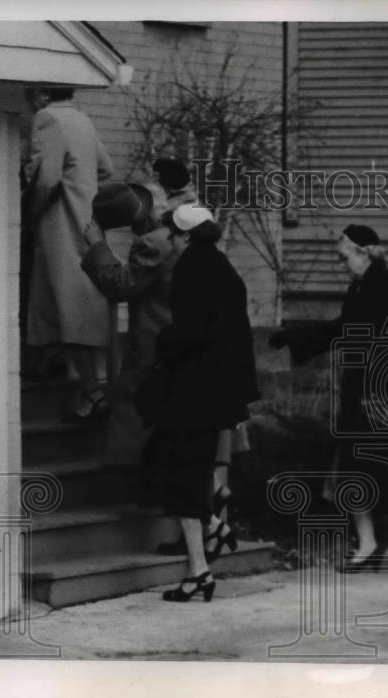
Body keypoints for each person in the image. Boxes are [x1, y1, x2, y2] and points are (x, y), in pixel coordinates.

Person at [268, 224, 388, 572]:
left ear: (364, 252)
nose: (341, 261)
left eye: (344, 255)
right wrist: (294, 336)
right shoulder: (360, 288)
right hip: (366, 389)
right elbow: (342, 327)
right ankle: (371, 544)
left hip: (386, 390)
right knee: (357, 466)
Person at [140, 204, 260, 602]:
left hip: (193, 393)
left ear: (186, 236)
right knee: (181, 472)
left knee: (177, 473)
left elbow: (189, 332)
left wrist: (162, 343)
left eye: (173, 235)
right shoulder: (224, 268)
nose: (170, 241)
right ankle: (203, 562)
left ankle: (202, 563)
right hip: (219, 393)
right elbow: (236, 335)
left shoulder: (191, 269)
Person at [22, 86, 114, 421]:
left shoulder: (47, 119)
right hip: (85, 221)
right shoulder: (82, 119)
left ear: (42, 96)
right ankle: (71, 371)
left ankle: (92, 391)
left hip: (60, 223)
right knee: (73, 300)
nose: (28, 103)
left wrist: (28, 212)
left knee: (67, 303)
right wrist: (84, 189)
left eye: (29, 96)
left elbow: (46, 178)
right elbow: (106, 170)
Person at [80, 182, 176, 467]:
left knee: (129, 403)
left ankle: (134, 479)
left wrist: (98, 245)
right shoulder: (177, 236)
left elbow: (119, 286)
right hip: (177, 341)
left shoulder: (152, 243)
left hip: (157, 343)